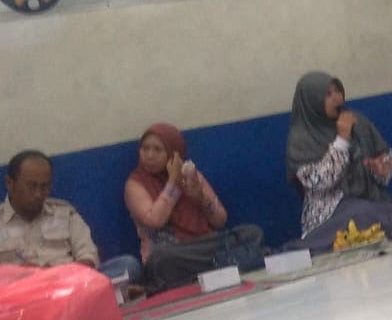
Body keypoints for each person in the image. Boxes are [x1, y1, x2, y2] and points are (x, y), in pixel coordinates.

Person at [125, 124, 264, 292]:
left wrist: (200, 198)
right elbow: (156, 220)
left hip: (205, 244)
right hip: (174, 254)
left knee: (251, 233)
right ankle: (221, 264)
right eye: (145, 149)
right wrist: (173, 183)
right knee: (161, 259)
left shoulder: (190, 175)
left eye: (157, 150)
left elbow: (220, 220)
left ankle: (210, 268)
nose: (149, 155)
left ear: (174, 153)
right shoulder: (135, 184)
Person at [286, 72, 392, 252]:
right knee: (363, 215)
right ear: (312, 101)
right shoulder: (302, 138)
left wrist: (380, 167)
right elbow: (319, 181)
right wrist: (342, 139)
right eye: (328, 94)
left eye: (337, 91)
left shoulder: (357, 121)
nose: (336, 98)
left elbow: (384, 157)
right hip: (331, 211)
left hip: (370, 198)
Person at [1, 150, 140, 282]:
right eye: (31, 186)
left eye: (44, 187)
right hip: (22, 289)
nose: (38, 194)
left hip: (70, 282)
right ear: (10, 183)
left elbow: (88, 255)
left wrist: (57, 274)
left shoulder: (65, 214)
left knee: (128, 265)